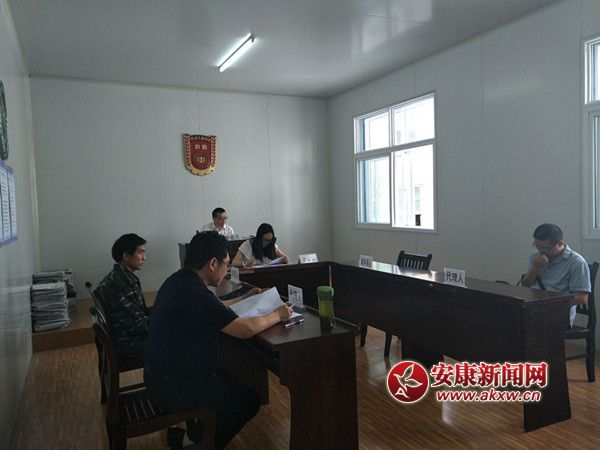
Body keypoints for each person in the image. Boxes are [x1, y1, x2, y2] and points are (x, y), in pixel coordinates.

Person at [144, 231, 292, 449]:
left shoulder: (179, 281)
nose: (227, 269)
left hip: (160, 376)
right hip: (174, 386)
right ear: (213, 263)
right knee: (249, 401)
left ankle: (191, 437)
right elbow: (246, 329)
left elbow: (215, 308)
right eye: (226, 264)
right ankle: (198, 444)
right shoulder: (195, 293)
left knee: (225, 376)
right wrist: (278, 315)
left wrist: (245, 297)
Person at [521, 223, 591, 327]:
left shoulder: (576, 262)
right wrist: (535, 268)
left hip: (558, 312)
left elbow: (582, 298)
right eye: (537, 246)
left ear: (560, 243)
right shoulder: (535, 256)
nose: (541, 251)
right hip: (533, 307)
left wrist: (550, 303)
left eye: (545, 248)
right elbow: (525, 285)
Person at [98, 233, 150, 363]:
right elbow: (137, 326)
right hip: (128, 345)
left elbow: (139, 313)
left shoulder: (119, 277)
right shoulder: (121, 284)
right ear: (126, 256)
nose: (144, 258)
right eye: (140, 253)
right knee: (178, 338)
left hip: (125, 338)